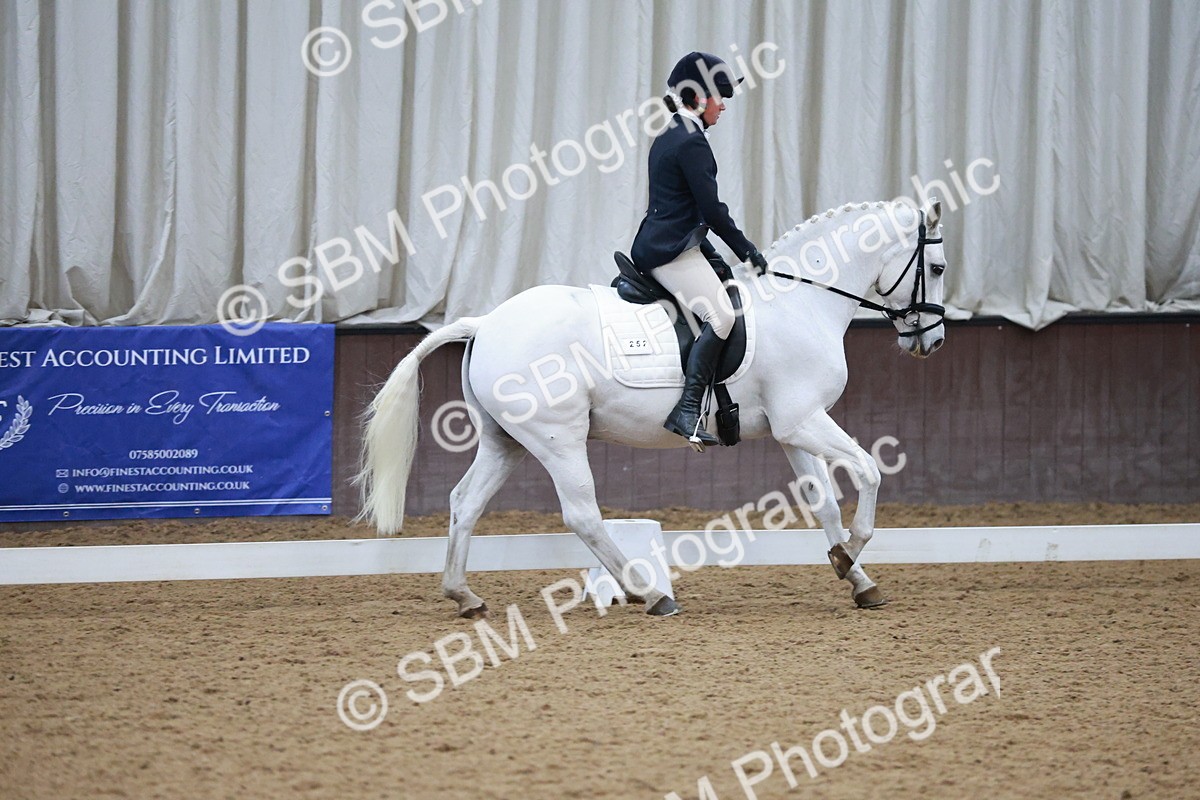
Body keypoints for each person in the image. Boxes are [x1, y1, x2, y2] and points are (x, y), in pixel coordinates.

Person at [630, 51, 768, 448]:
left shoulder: (672, 133)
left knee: (722, 283)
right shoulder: (691, 144)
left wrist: (716, 256)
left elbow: (685, 210)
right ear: (698, 97)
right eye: (718, 98)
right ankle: (688, 410)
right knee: (723, 317)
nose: (723, 106)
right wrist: (746, 250)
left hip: (673, 241)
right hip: (670, 253)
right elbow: (712, 210)